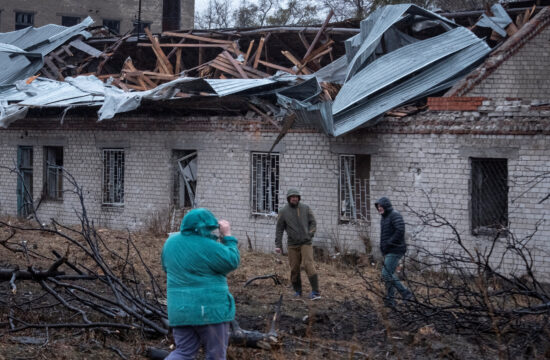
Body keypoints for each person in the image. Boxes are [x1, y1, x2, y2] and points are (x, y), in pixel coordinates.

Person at [162, 208, 240, 360]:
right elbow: (232, 261)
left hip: (179, 310)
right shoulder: (209, 246)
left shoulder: (170, 242)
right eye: (210, 229)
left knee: (183, 352)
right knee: (215, 355)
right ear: (203, 228)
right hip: (210, 311)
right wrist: (228, 236)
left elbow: (166, 268)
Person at [275, 188, 320, 300]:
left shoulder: (305, 208)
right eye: (292, 196)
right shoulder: (283, 211)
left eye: (296, 196)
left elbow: (313, 223)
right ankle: (298, 291)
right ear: (289, 198)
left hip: (306, 242)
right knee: (294, 268)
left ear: (299, 198)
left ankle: (316, 292)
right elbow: (279, 229)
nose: (294, 198)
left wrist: (310, 234)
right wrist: (278, 245)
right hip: (292, 244)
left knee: (308, 264)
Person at [374, 197, 412, 308]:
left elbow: (400, 231)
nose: (379, 208)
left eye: (381, 206)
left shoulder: (395, 215)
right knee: (389, 274)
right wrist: (383, 248)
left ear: (386, 206)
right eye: (378, 207)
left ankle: (406, 292)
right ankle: (390, 300)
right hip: (389, 249)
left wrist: (389, 243)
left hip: (396, 249)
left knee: (386, 274)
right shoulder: (384, 218)